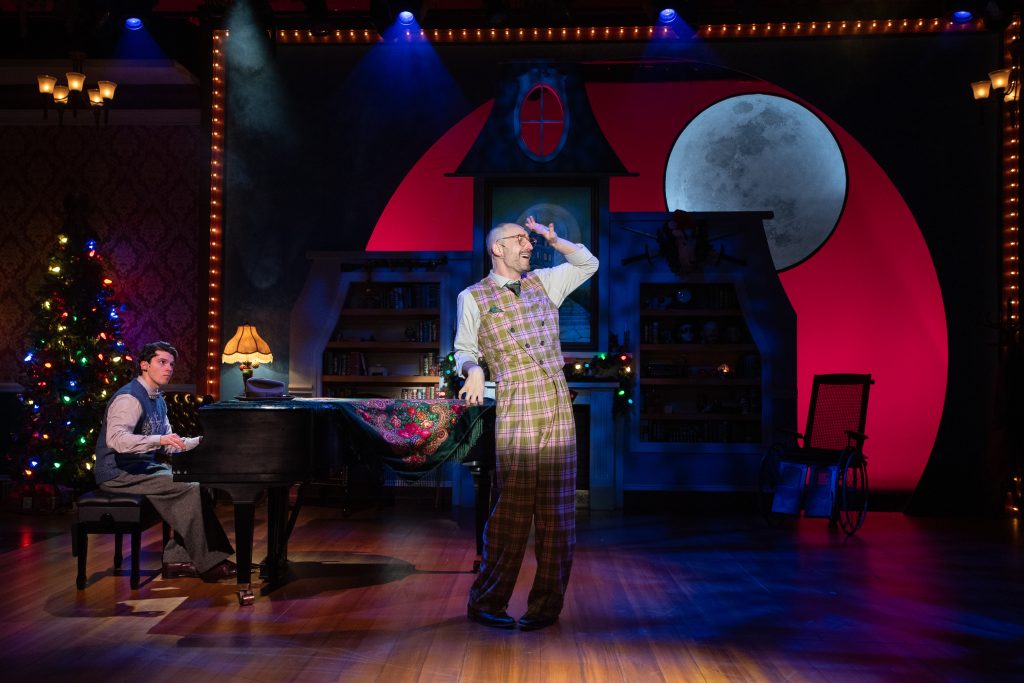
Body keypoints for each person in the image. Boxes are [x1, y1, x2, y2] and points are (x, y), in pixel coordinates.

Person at [454, 216, 598, 631]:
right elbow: (464, 348)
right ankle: (487, 601)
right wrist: (474, 370)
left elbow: (588, 263)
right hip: (516, 401)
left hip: (555, 400)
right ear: (497, 248)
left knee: (558, 513)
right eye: (520, 239)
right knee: (512, 508)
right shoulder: (473, 296)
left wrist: (557, 239)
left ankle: (546, 607)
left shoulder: (545, 282)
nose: (529, 245)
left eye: (529, 240)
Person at [93, 341, 237, 582]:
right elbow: (116, 440)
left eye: (171, 364)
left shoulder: (158, 399)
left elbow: (170, 444)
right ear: (144, 365)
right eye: (162, 362)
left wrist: (201, 441)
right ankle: (209, 563)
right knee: (187, 486)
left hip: (141, 468)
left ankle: (177, 560)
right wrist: (158, 440)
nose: (169, 368)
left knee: (196, 482)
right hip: (117, 473)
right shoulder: (129, 398)